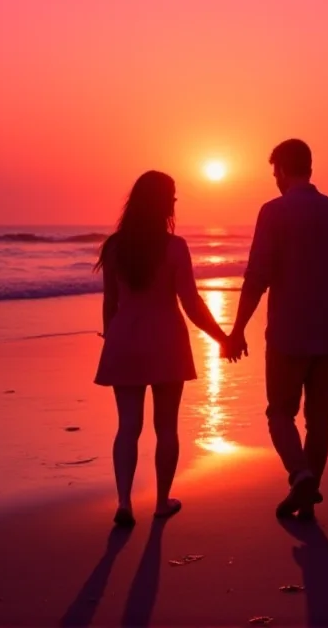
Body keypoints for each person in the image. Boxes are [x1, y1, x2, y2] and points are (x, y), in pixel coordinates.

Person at [229, 139, 328, 519]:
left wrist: (237, 329)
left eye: (274, 172)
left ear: (281, 170)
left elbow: (256, 277)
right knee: (319, 420)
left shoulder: (273, 212)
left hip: (287, 337)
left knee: (279, 414)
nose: (274, 179)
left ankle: (300, 474)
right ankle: (307, 495)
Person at [94, 171, 230, 527]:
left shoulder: (115, 246)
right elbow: (191, 302)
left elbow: (110, 303)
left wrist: (113, 339)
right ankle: (160, 502)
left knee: (128, 426)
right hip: (166, 338)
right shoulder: (174, 246)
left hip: (125, 337)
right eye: (171, 196)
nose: (174, 202)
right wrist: (222, 337)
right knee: (166, 426)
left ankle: (124, 502)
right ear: (160, 202)